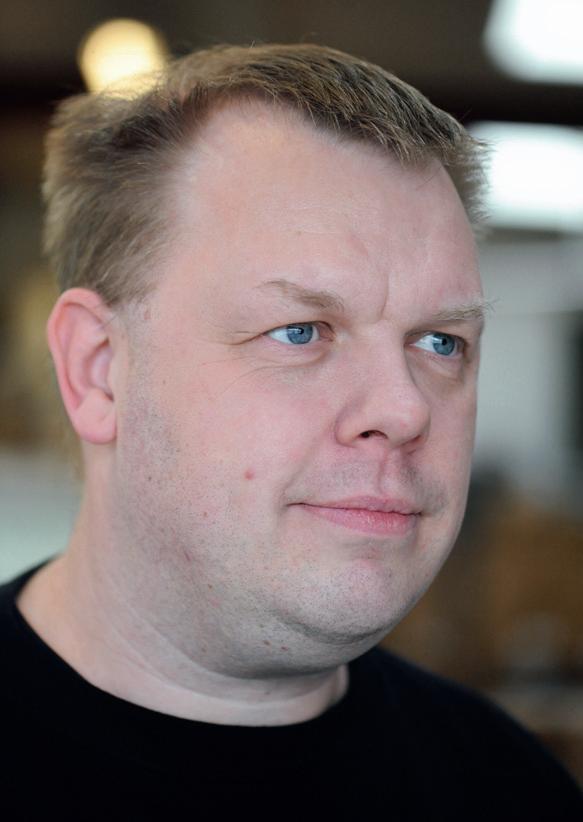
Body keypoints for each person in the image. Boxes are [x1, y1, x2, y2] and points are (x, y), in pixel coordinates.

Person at [1, 43, 581, 819]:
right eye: (301, 331)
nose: (404, 409)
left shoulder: (509, 788)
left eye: (440, 343)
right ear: (99, 370)